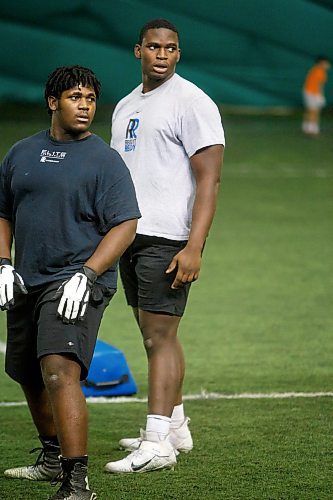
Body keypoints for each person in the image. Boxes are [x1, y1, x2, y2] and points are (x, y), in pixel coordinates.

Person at [0, 65, 140, 499]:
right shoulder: (21, 152)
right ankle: (50, 456)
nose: (84, 106)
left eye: (91, 99)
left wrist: (88, 273)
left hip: (78, 279)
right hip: (27, 278)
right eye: (75, 97)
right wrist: (3, 263)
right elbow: (3, 211)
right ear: (52, 102)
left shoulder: (104, 160)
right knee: (25, 371)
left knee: (59, 370)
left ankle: (76, 484)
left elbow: (126, 225)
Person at [104, 18, 225, 474]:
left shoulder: (192, 102)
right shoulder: (125, 105)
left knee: (160, 337)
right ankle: (174, 426)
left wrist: (195, 246)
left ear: (178, 54)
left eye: (170, 48)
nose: (162, 54)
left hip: (168, 238)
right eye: (153, 47)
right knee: (156, 335)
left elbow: (209, 180)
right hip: (130, 235)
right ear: (138, 51)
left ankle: (156, 444)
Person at [302, 56, 331, 135]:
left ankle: (306, 127)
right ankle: (312, 130)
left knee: (310, 110)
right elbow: (319, 85)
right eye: (327, 63)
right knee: (315, 111)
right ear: (322, 63)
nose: (329, 65)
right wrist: (320, 96)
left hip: (308, 92)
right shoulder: (320, 71)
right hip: (312, 93)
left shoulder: (315, 69)